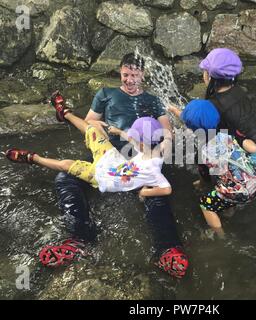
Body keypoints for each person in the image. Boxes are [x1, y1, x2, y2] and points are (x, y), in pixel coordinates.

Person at [33, 53, 188, 278]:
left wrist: (162, 145)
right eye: (126, 75)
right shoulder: (107, 94)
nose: (130, 80)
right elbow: (89, 122)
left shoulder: (153, 100)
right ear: (120, 72)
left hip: (142, 157)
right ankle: (79, 240)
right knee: (65, 177)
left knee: (157, 193)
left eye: (135, 75)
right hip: (108, 155)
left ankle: (167, 249)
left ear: (143, 74)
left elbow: (167, 132)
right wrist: (101, 124)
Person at [5, 108, 172, 197]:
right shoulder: (156, 146)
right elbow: (134, 140)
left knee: (67, 165)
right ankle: (65, 113)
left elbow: (166, 189)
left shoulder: (153, 170)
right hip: (113, 161)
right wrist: (119, 132)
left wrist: (144, 192)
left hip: (105, 178)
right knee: (93, 129)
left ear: (143, 144)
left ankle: (33, 158)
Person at [169, 99, 256, 238]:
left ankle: (221, 237)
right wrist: (175, 110)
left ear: (191, 128)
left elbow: (205, 179)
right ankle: (229, 211)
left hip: (239, 192)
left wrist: (200, 184)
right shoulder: (226, 135)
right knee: (228, 181)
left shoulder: (204, 152)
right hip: (255, 181)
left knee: (205, 204)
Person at [199, 48, 256, 186]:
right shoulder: (238, 90)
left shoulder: (213, 104)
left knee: (249, 186)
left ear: (208, 75)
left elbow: (213, 135)